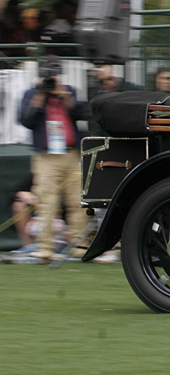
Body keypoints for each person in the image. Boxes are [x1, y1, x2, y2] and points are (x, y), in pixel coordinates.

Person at [19, 56, 87, 263]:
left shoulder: (69, 91)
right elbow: (25, 120)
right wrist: (40, 96)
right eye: (48, 72)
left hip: (71, 154)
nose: (51, 76)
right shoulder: (31, 94)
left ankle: (80, 247)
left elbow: (82, 113)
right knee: (47, 202)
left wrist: (64, 96)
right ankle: (45, 249)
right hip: (46, 156)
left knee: (78, 201)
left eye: (54, 72)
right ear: (41, 73)